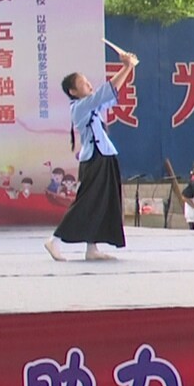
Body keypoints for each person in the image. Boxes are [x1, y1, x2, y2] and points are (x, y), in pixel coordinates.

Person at [45, 52, 137, 261]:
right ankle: (55, 240)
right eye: (83, 84)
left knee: (102, 203)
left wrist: (129, 68)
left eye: (88, 82)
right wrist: (126, 67)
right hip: (95, 159)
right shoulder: (80, 106)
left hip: (104, 156)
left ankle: (92, 247)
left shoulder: (90, 106)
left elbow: (110, 94)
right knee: (86, 202)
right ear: (73, 92)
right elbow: (104, 93)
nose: (89, 85)